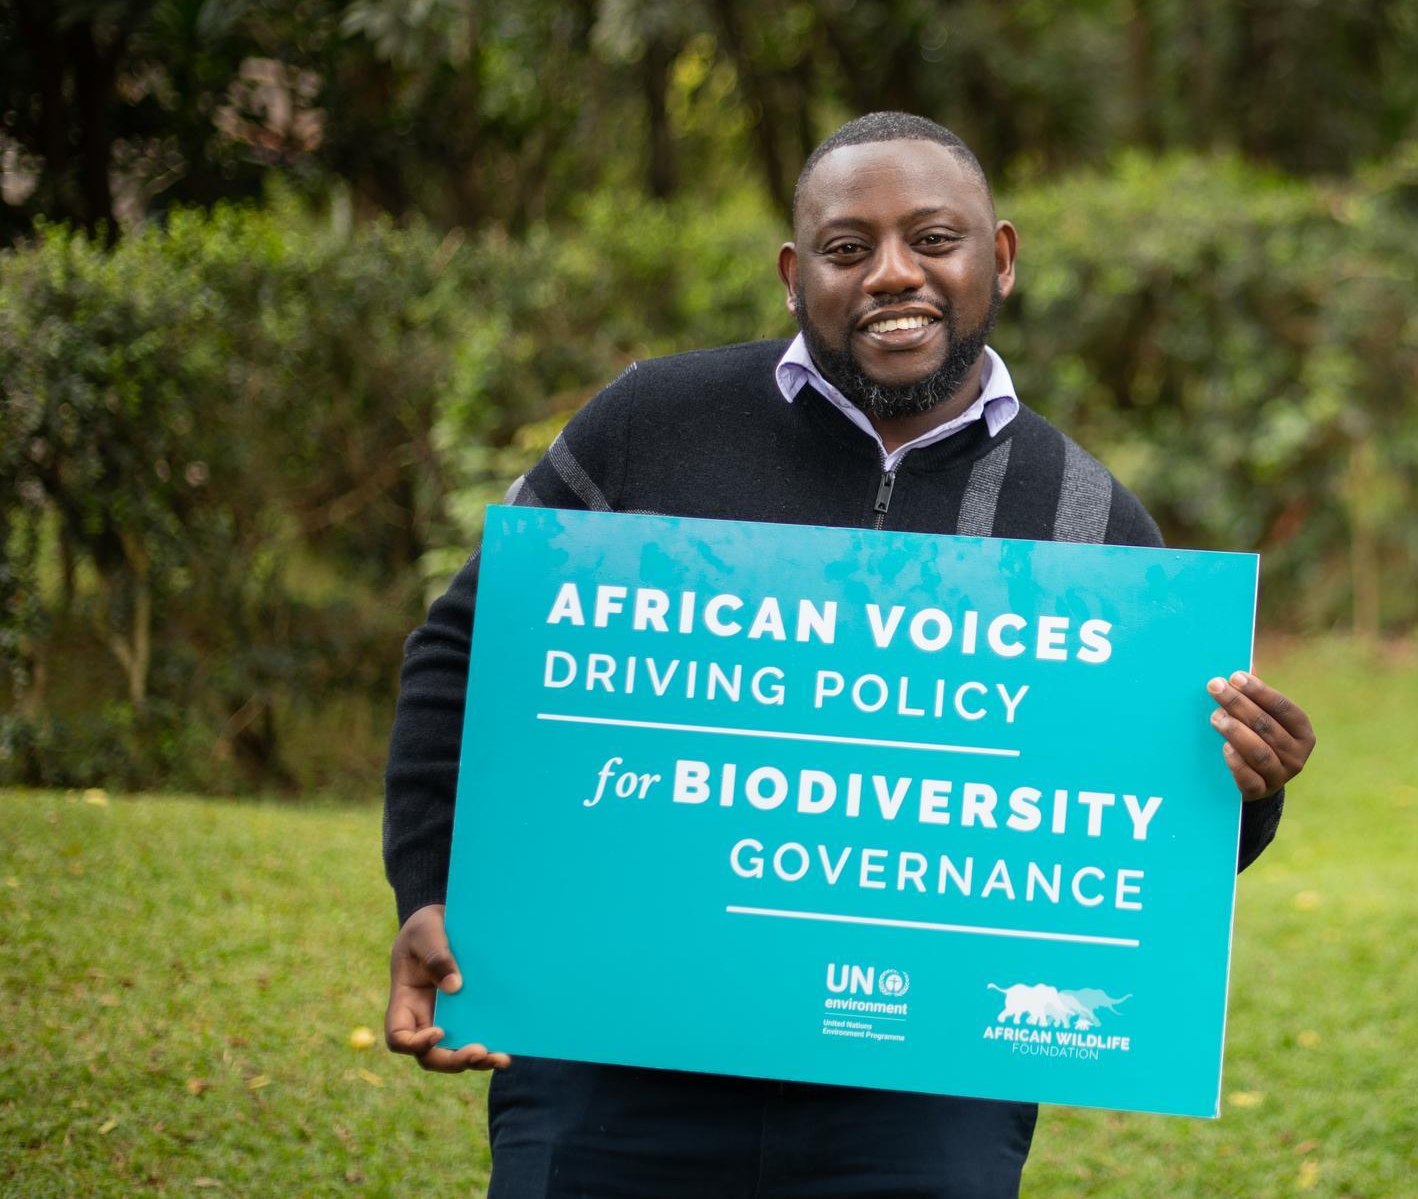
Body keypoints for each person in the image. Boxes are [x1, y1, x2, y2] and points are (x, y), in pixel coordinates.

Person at [381, 112, 1319, 1197]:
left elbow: (1135, 839)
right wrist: (429, 885)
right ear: (794, 274)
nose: (891, 275)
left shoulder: (1084, 518)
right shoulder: (650, 425)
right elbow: (464, 649)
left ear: (998, 259)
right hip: (617, 1054)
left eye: (932, 239)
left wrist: (1251, 784)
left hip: (921, 1090)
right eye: (846, 248)